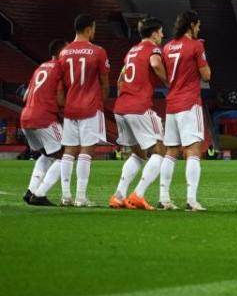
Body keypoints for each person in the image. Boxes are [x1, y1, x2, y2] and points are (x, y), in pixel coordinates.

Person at [110, 18, 168, 211]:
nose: (162, 35)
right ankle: (138, 195)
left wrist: (125, 97)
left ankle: (118, 196)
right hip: (139, 107)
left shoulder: (131, 52)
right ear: (153, 34)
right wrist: (169, 83)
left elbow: (120, 79)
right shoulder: (153, 49)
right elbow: (155, 64)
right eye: (160, 32)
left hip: (121, 107)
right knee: (159, 151)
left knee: (138, 154)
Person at [161, 10, 212, 212]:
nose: (199, 29)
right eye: (198, 25)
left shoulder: (167, 47)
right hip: (189, 103)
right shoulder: (196, 45)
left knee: (171, 151)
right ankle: (191, 200)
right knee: (193, 150)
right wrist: (202, 51)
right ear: (191, 24)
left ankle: (164, 198)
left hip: (171, 103)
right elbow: (207, 75)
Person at [58, 14, 111, 207]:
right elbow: (105, 83)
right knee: (87, 150)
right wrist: (100, 101)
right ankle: (80, 197)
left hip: (71, 107)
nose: (94, 32)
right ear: (88, 29)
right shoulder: (98, 51)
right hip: (90, 107)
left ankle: (65, 196)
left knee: (69, 150)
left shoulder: (63, 53)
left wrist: (64, 104)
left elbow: (59, 85)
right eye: (94, 28)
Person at [22, 39, 67, 206]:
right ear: (62, 52)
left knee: (47, 155)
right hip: (45, 118)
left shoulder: (40, 67)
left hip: (26, 116)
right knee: (66, 154)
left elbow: (25, 96)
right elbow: (61, 99)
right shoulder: (60, 69)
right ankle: (40, 194)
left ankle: (31, 190)